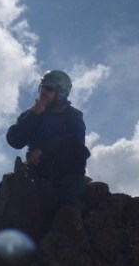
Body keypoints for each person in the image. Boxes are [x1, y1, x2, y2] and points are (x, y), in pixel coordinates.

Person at [6, 69, 90, 205]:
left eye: (49, 88)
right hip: (37, 170)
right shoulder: (31, 113)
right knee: (2, 194)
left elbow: (76, 143)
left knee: (68, 203)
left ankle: (70, 207)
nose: (43, 91)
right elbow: (15, 140)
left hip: (65, 172)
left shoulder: (72, 115)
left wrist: (44, 150)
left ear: (61, 93)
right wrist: (33, 115)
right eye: (42, 87)